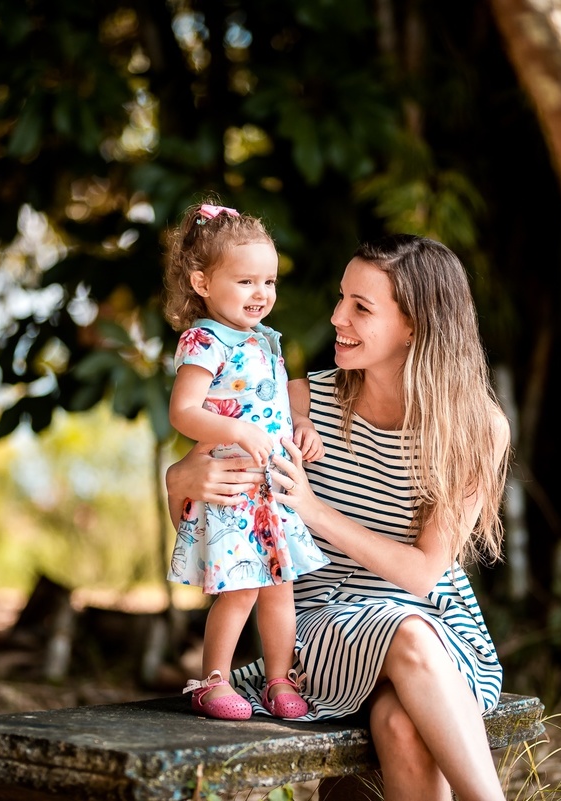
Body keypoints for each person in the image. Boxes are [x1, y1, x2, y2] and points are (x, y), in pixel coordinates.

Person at [166, 233, 512, 801]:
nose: (335, 318)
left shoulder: (475, 429)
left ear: (415, 326)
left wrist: (311, 509)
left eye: (360, 307)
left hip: (438, 629)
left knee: (401, 721)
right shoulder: (297, 401)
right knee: (404, 633)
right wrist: (179, 480)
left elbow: (424, 575)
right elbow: (206, 514)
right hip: (323, 629)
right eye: (341, 298)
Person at [162, 200, 330, 722]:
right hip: (232, 486)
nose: (262, 294)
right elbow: (183, 410)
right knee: (240, 589)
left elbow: (275, 404)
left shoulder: (264, 340)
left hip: (273, 487)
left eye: (269, 282)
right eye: (246, 282)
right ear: (202, 283)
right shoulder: (204, 340)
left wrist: (298, 428)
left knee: (280, 588)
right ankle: (213, 680)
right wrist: (235, 428)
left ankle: (279, 679)